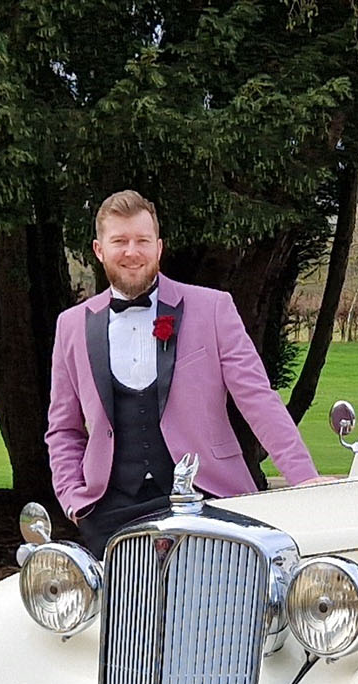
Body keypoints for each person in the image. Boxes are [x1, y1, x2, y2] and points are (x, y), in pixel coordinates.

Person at [45, 189, 321, 550]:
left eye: (142, 240)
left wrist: (304, 480)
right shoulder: (71, 325)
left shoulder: (213, 309)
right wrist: (73, 499)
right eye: (120, 241)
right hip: (109, 512)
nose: (132, 252)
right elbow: (63, 428)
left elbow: (258, 399)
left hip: (207, 499)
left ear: (159, 247)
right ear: (99, 250)